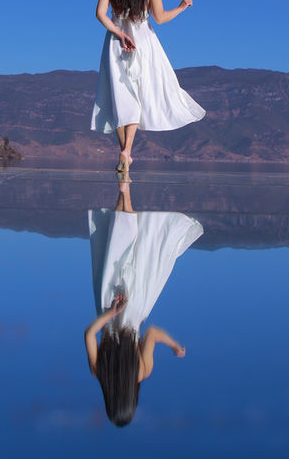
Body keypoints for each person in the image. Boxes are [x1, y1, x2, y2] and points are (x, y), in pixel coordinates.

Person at [84, 181, 204, 426]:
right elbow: (89, 334)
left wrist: (173, 345)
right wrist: (111, 313)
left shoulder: (141, 372)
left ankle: (125, 188)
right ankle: (123, 188)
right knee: (117, 244)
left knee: (141, 253)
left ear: (132, 400)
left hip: (135, 307)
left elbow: (151, 334)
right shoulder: (99, 373)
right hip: (108, 307)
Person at [90, 0, 206, 173]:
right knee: (139, 98)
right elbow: (160, 18)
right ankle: (127, 152)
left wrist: (120, 34)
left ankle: (125, 152)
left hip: (116, 42)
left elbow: (100, 14)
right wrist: (182, 7)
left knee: (121, 99)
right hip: (143, 42)